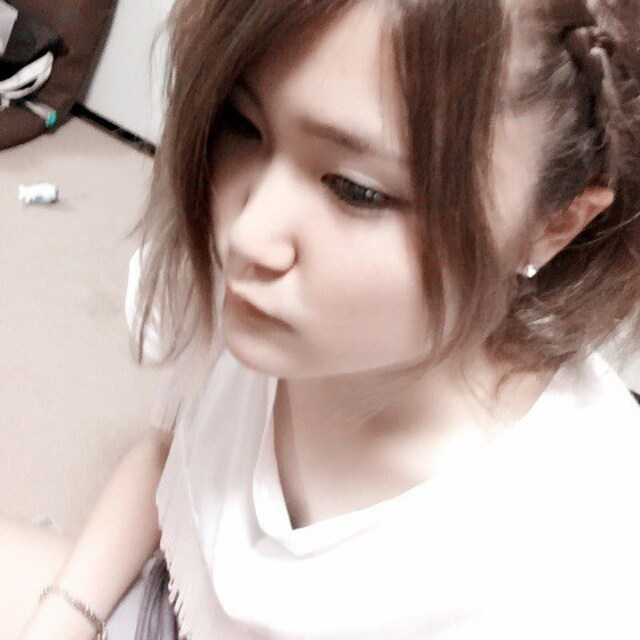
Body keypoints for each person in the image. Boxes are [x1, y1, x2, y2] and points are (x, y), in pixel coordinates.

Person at [4, 0, 640, 638]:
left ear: (555, 223)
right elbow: (171, 453)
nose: (246, 236)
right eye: (243, 125)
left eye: (358, 189)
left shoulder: (580, 564)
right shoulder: (260, 303)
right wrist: (64, 616)